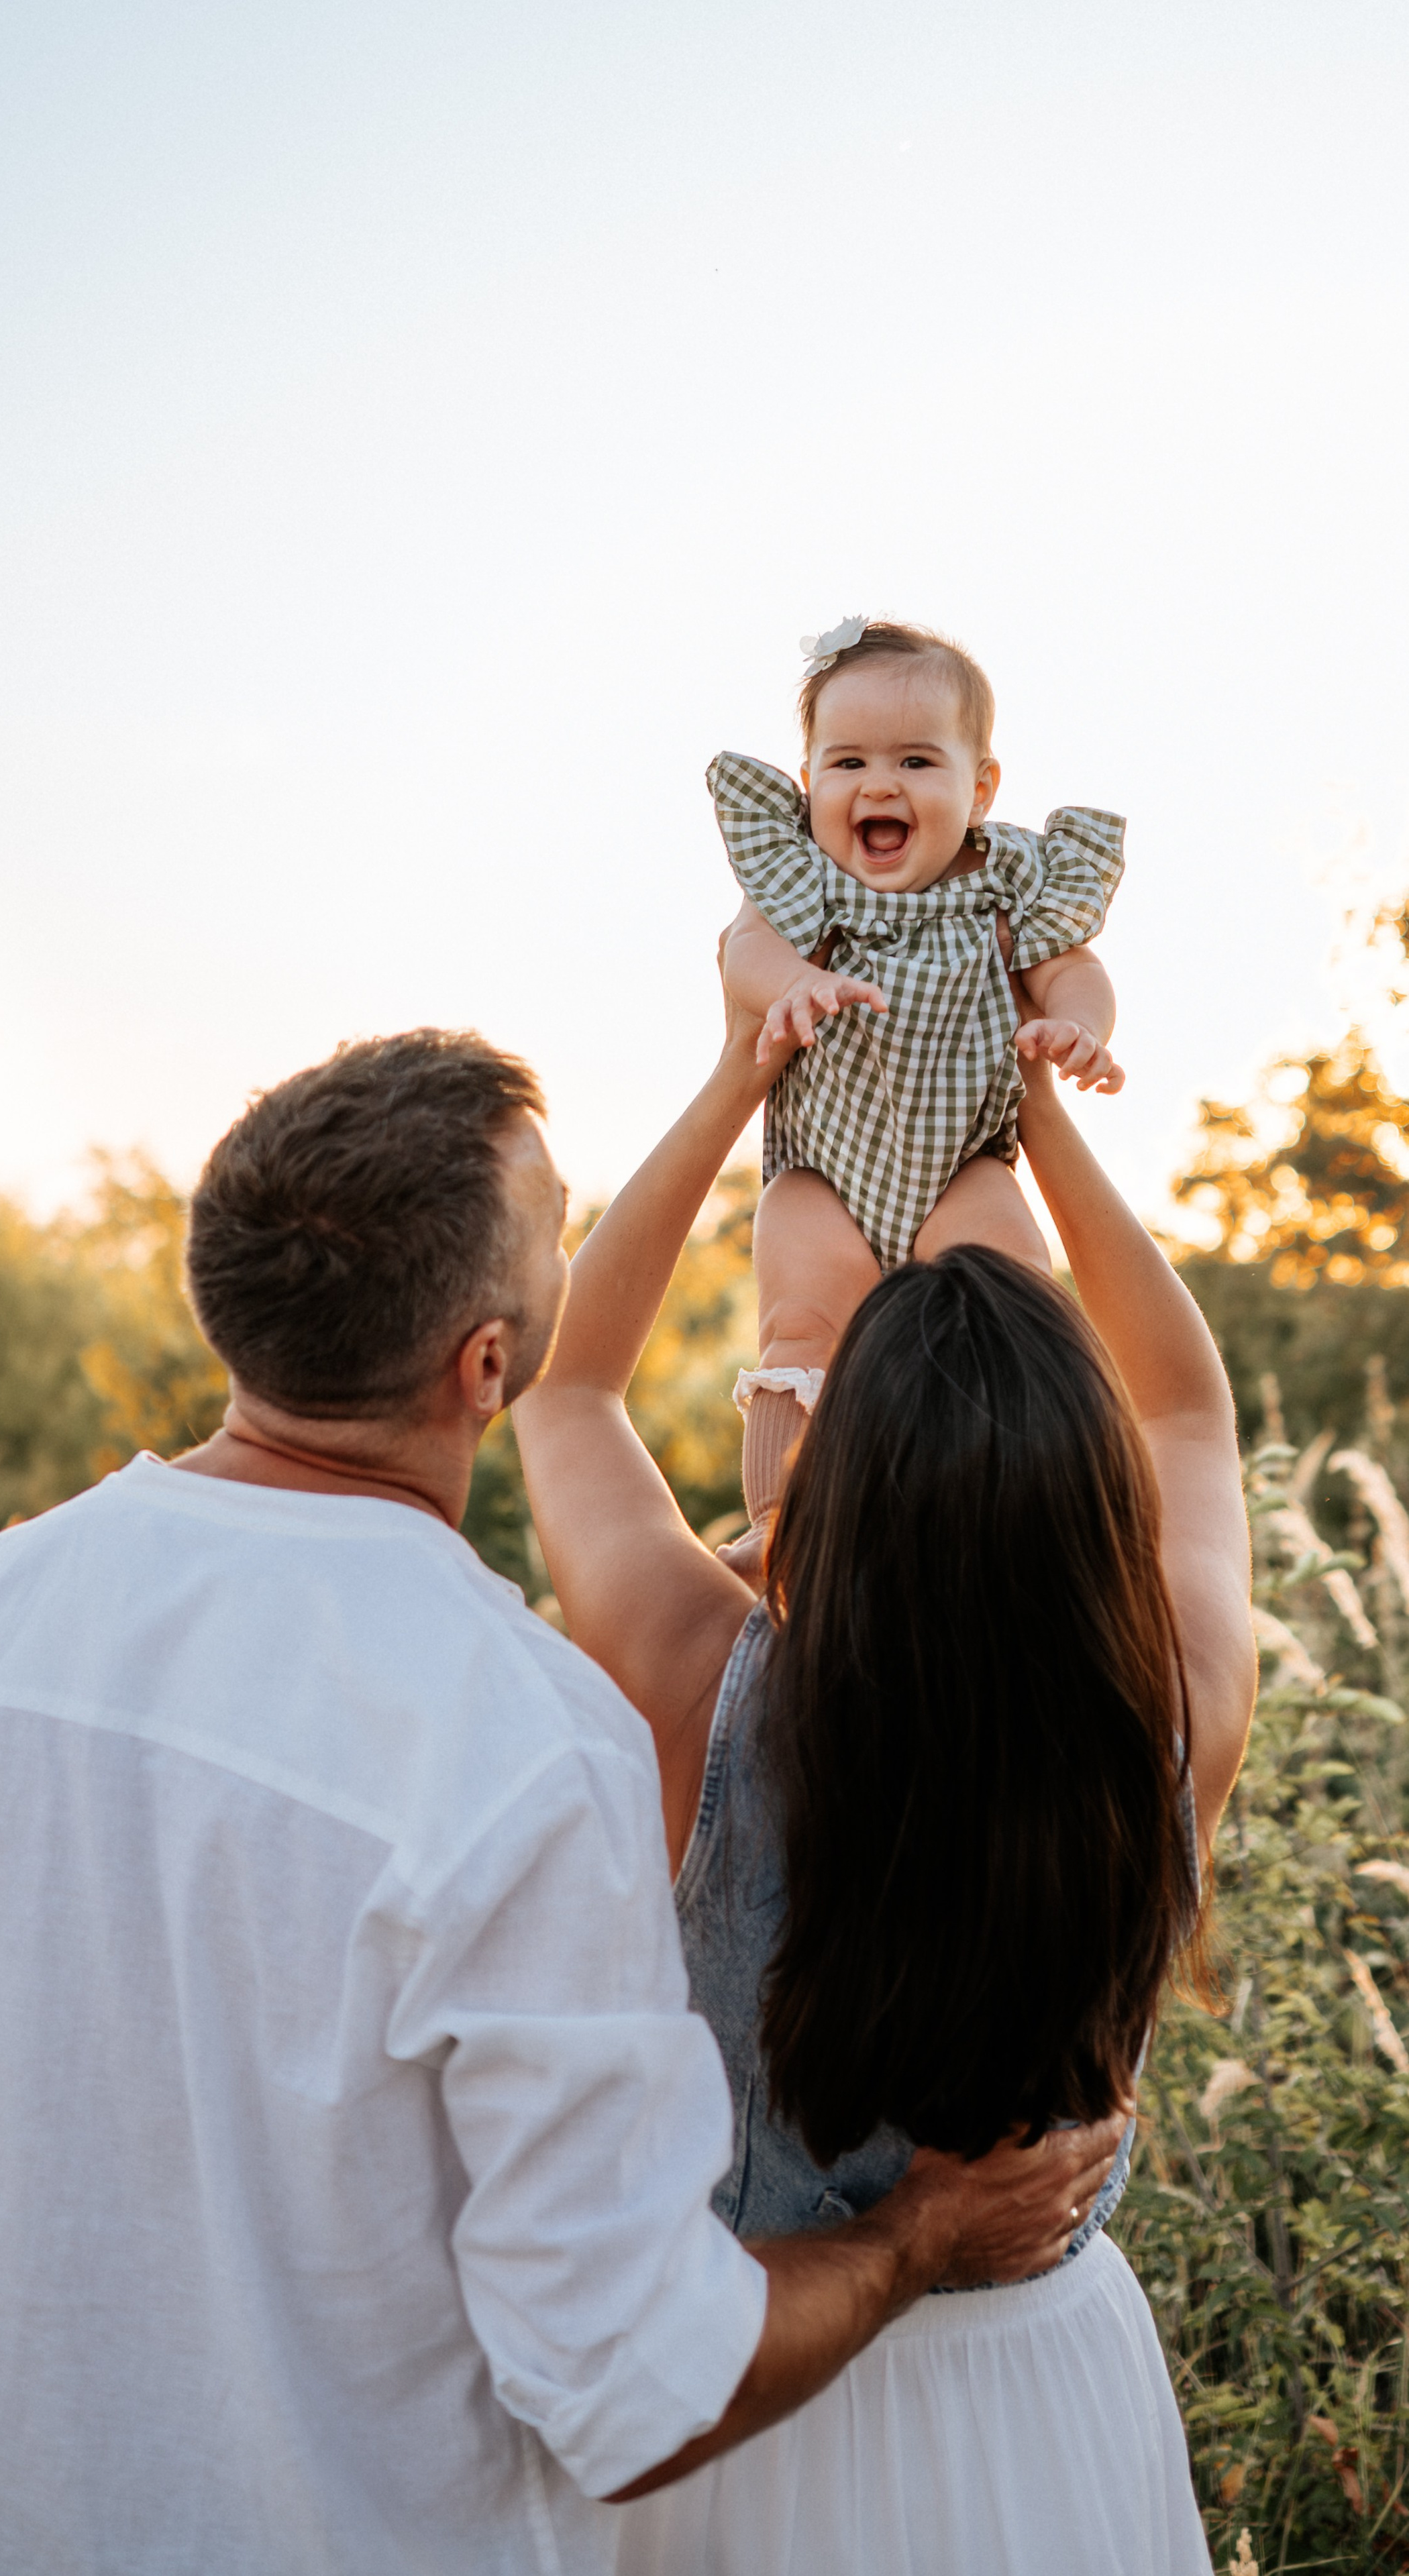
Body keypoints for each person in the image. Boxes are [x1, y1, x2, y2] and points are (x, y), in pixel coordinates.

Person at [0, 1026, 1122, 2576]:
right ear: (485, 1361)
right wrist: (911, 2234)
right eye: (555, 1228)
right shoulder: (520, 1739)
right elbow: (630, 2378)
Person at [512, 971, 1257, 2575]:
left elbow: (563, 1388)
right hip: (1051, 2385)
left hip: (757, 2387)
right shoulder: (1181, 1697)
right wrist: (1031, 1114)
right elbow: (1189, 1405)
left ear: (832, 1478)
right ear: (1088, 1482)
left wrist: (735, 1079)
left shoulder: (697, 1684)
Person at [711, 615, 1127, 1570]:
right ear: (809, 781)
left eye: (917, 762)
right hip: (824, 1168)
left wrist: (1082, 1028)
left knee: (1018, 1293)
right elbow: (746, 951)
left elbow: (1072, 968)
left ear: (980, 786)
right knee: (801, 1323)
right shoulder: (804, 879)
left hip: (963, 1165)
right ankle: (781, 1523)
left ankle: (1030, 1497)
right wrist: (794, 985)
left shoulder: (1006, 885)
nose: (880, 785)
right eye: (848, 762)